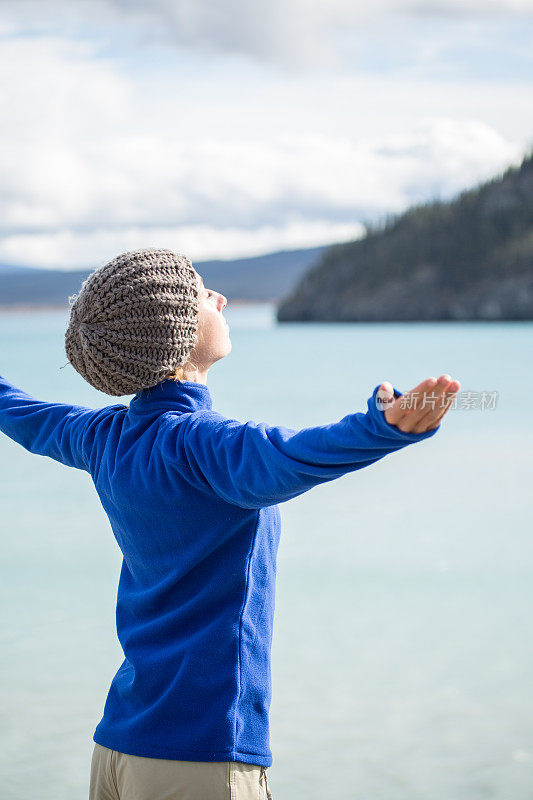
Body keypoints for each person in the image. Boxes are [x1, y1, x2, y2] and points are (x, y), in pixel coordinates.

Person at [0, 248, 460, 800]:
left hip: (118, 748)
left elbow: (23, 414)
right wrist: (381, 429)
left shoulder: (103, 440)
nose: (219, 298)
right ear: (171, 335)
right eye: (201, 291)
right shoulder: (201, 445)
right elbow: (291, 455)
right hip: (199, 759)